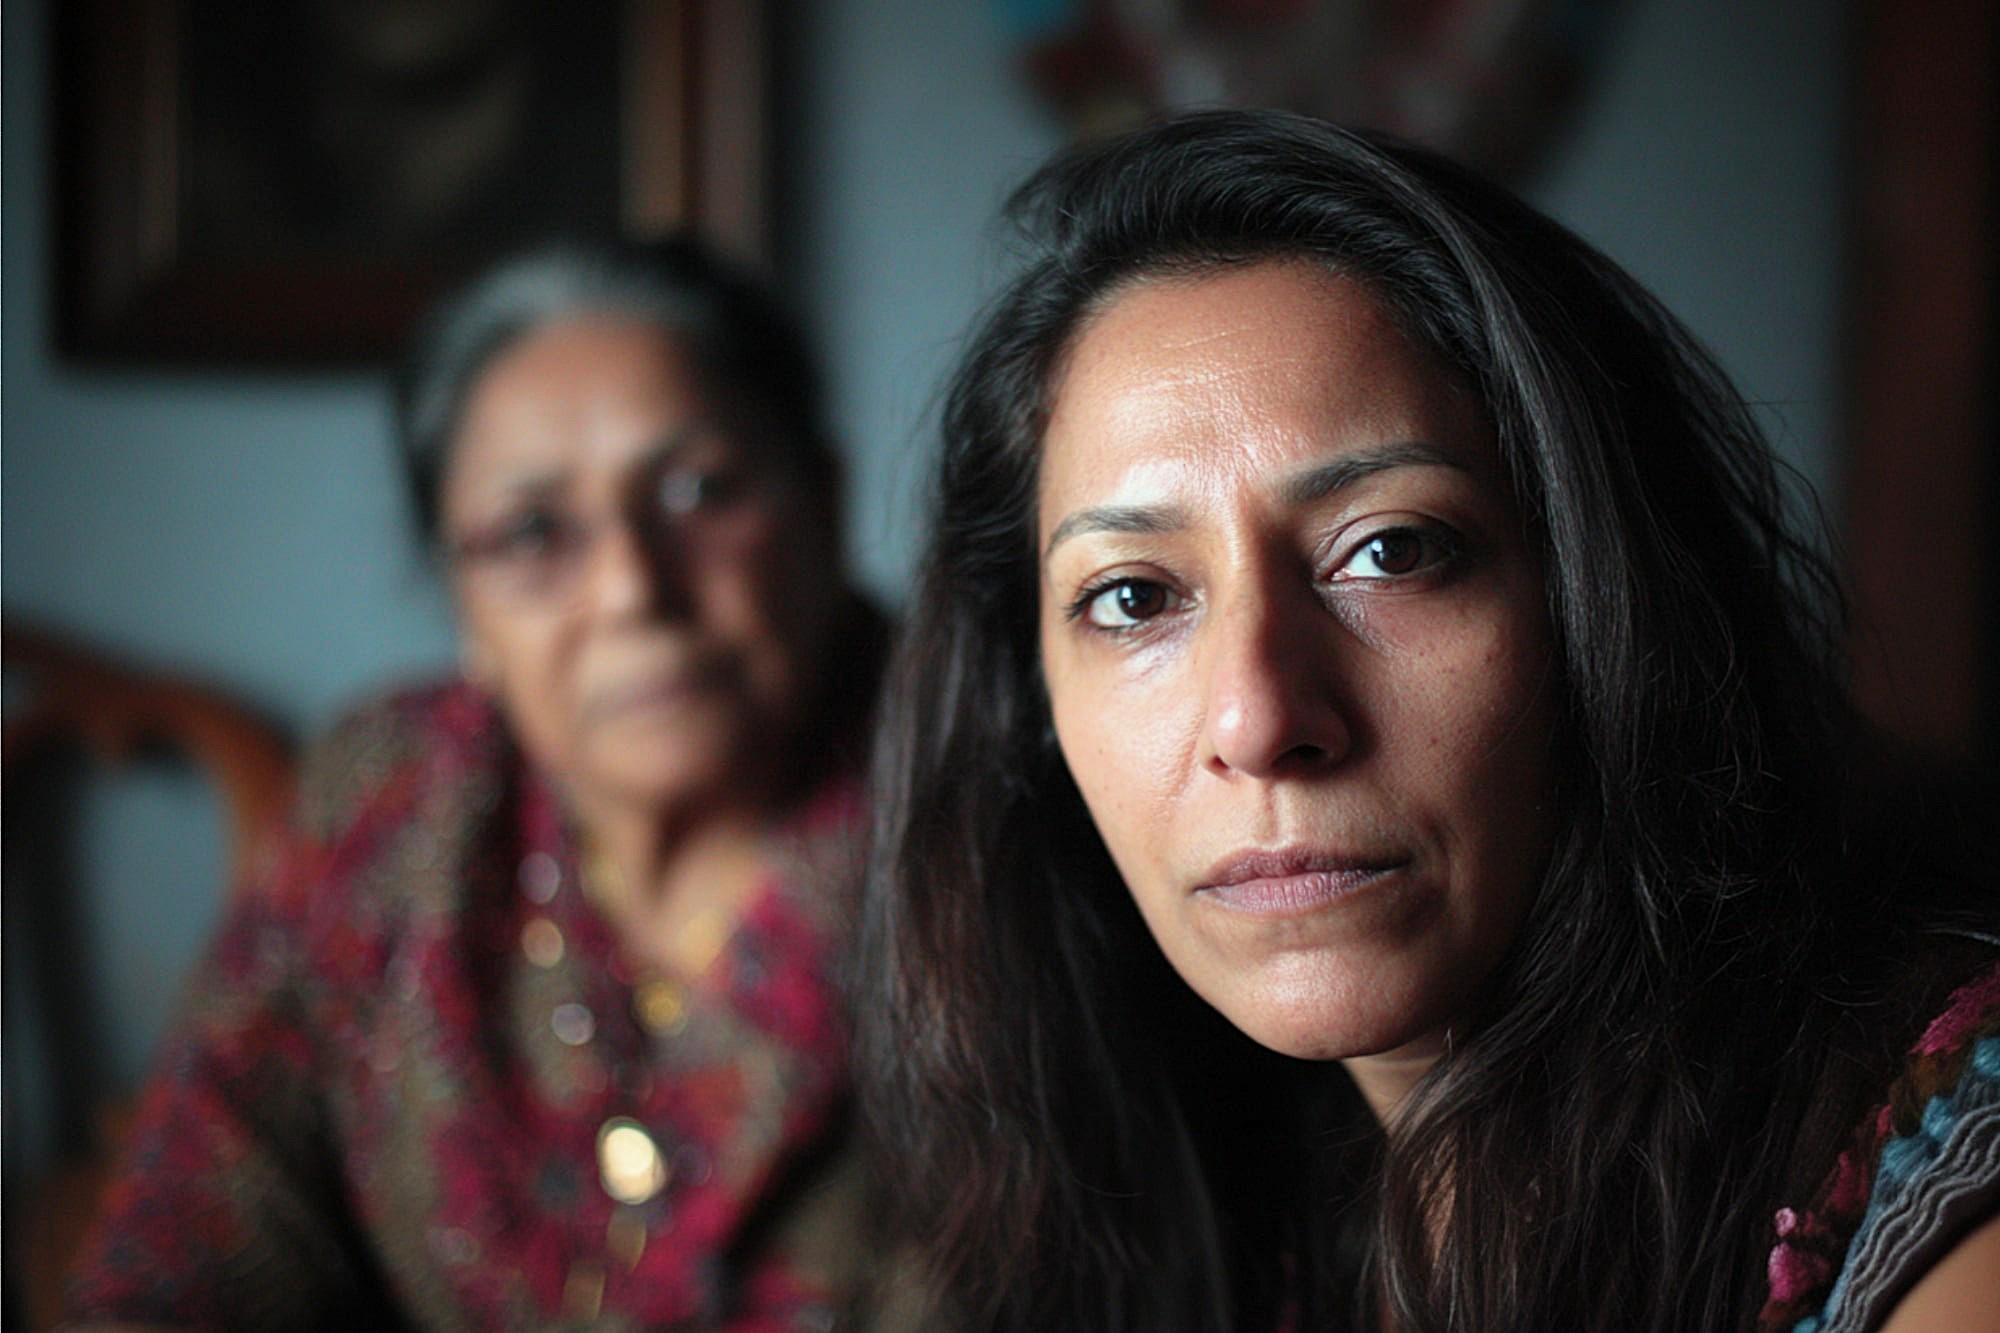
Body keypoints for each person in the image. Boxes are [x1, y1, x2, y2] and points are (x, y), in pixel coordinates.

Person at [859, 109, 2000, 1331]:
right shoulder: (1195, 1194)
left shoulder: (1936, 1172)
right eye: (1133, 596)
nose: (1258, 717)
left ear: (1600, 599)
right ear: (1027, 706)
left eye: (1388, 551)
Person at [64, 238, 891, 1328]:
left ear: (824, 508)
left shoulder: (1001, 807)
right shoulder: (389, 801)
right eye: (534, 533)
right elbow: (188, 1242)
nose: (631, 588)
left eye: (699, 491)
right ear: (465, 609)